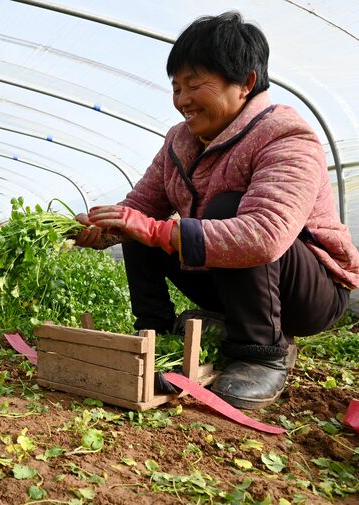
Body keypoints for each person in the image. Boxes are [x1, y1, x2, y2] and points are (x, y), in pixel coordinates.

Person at [75, 12, 359, 409]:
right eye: (176, 88)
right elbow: (141, 205)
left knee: (225, 209)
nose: (182, 100)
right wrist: (102, 228)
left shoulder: (286, 136)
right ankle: (156, 334)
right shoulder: (180, 141)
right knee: (136, 226)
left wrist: (157, 231)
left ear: (245, 83)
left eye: (194, 85)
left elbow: (264, 235)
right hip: (228, 279)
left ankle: (261, 354)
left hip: (308, 294)